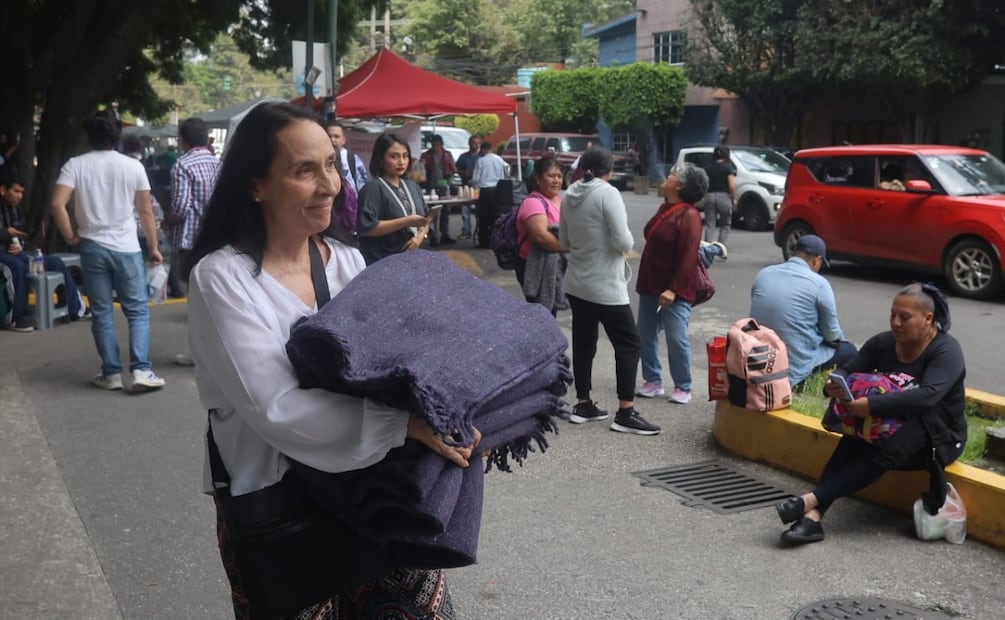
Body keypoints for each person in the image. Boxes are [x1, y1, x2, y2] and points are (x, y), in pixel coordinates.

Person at [183, 100, 472, 618]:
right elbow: (275, 408)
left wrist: (449, 412)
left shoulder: (348, 261)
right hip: (283, 506)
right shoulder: (222, 278)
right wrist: (401, 427)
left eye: (332, 165)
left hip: (373, 493)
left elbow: (392, 366)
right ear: (256, 186)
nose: (330, 185)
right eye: (304, 170)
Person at [774, 283, 966, 545]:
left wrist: (873, 406)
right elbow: (848, 369)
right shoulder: (884, 343)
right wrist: (834, 384)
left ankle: (811, 500)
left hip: (939, 437)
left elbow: (927, 397)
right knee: (854, 438)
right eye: (892, 315)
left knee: (891, 442)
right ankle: (813, 517)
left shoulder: (946, 350)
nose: (896, 323)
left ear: (928, 319)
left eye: (905, 317)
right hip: (892, 426)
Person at [50, 110, 166, 391]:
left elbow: (56, 204)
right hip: (126, 247)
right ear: (117, 135)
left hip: (91, 246)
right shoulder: (133, 166)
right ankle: (141, 370)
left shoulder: (75, 165)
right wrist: (153, 247)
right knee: (137, 310)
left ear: (89, 136)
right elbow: (146, 211)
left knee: (101, 312)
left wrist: (71, 235)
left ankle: (111, 374)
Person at [559, 147, 660, 436]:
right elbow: (623, 241)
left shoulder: (570, 193)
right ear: (609, 170)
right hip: (604, 284)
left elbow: (564, 239)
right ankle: (625, 411)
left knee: (584, 341)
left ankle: (583, 403)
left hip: (577, 282)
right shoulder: (608, 193)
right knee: (629, 343)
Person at [635, 162, 709, 405]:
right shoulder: (665, 208)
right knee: (645, 333)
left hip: (674, 289)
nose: (667, 177)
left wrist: (673, 289)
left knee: (676, 337)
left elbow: (688, 256)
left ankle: (683, 385)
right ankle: (653, 380)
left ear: (680, 185)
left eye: (672, 175)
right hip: (650, 282)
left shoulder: (689, 215)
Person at [749, 234, 857, 387]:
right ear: (816, 260)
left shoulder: (764, 274)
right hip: (791, 370)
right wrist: (838, 338)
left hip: (757, 360)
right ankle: (811, 384)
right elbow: (832, 334)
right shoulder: (819, 284)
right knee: (849, 351)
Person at [0, 170, 86, 331]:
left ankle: (76, 309)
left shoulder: (16, 209)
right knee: (15, 267)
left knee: (55, 262)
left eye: (21, 192)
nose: (19, 196)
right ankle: (15, 318)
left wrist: (19, 244)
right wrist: (6, 234)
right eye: (16, 191)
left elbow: (21, 234)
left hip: (14, 252)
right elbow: (8, 233)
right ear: (3, 190)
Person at [163, 117, 219, 301]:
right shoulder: (219, 164)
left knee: (192, 280)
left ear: (183, 140)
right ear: (205, 138)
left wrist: (167, 220)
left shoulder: (182, 165)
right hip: (215, 233)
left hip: (190, 236)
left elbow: (181, 207)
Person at [355, 133, 433, 265]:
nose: (401, 162)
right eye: (394, 156)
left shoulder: (412, 186)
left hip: (412, 260)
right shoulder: (373, 188)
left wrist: (419, 238)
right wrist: (406, 221)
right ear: (380, 158)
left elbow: (425, 220)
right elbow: (367, 228)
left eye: (405, 156)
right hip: (383, 261)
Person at [515, 155, 565, 312]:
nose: (556, 180)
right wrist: (572, 247)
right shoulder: (533, 203)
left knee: (552, 311)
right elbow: (541, 237)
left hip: (555, 266)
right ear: (538, 177)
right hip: (535, 267)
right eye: (551, 176)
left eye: (559, 176)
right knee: (542, 313)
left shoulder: (559, 200)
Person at [420, 134, 457, 246]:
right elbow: (420, 168)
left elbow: (453, 169)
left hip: (444, 185)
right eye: (434, 144)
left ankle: (445, 234)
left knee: (445, 210)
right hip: (430, 185)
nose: (435, 146)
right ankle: (433, 236)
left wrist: (451, 171)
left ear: (441, 144)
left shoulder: (447, 154)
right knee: (433, 212)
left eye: (437, 144)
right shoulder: (426, 155)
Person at [471, 140, 509, 248]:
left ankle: (484, 241)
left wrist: (472, 182)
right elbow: (504, 175)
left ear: (482, 150)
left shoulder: (481, 161)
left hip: (485, 191)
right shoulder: (499, 160)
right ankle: (494, 240)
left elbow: (476, 178)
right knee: (494, 217)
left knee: (483, 217)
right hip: (497, 190)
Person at [702, 146, 735, 247]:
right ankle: (720, 247)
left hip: (709, 196)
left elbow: (704, 183)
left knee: (710, 223)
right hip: (724, 197)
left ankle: (706, 247)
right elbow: (731, 186)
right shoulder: (728, 167)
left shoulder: (708, 168)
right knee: (725, 224)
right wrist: (734, 198)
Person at [454, 135, 481, 239]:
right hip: (465, 187)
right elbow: (456, 168)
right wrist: (463, 172)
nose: (476, 145)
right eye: (474, 143)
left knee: (479, 212)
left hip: (478, 188)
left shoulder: (481, 157)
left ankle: (479, 232)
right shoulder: (464, 156)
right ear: (469, 143)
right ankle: (466, 231)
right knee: (465, 211)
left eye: (478, 143)